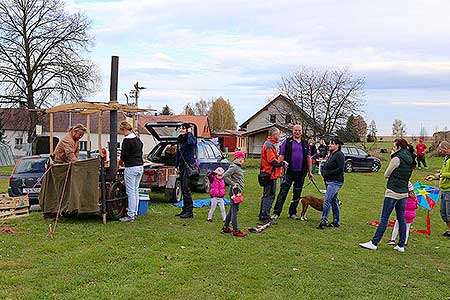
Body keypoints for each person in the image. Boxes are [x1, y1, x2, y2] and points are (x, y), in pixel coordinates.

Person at [360, 139, 415, 252]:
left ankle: (374, 242)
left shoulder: (396, 158)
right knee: (401, 219)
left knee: (384, 218)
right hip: (403, 193)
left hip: (392, 192)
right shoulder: (410, 158)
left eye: (394, 146)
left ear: (399, 147)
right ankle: (401, 245)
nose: (392, 148)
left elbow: (386, 174)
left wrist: (392, 158)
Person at [271, 124, 313, 220]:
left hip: (301, 172)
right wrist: (280, 169)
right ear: (292, 131)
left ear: (302, 132)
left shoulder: (305, 143)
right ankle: (276, 212)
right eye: (295, 130)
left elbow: (308, 157)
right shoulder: (287, 142)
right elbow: (281, 156)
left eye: (299, 130)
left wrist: (310, 171)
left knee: (297, 194)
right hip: (288, 172)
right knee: (283, 192)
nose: (297, 132)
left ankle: (292, 212)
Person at [259, 127, 286, 224]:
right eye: (278, 134)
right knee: (269, 196)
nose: (279, 136)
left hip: (268, 173)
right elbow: (271, 160)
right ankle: (265, 216)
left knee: (266, 195)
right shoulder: (270, 145)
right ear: (274, 135)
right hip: (269, 174)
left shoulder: (269, 144)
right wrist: (281, 163)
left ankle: (262, 214)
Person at [118, 121, 144, 222]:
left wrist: (120, 162)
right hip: (140, 167)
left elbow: (124, 155)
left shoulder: (127, 141)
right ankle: (135, 211)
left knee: (130, 191)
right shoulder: (138, 140)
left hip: (131, 167)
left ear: (124, 129)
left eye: (121, 131)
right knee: (136, 190)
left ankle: (131, 214)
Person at [317, 137, 345, 229]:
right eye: (330, 143)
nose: (329, 145)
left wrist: (328, 173)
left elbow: (341, 169)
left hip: (335, 181)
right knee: (333, 201)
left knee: (327, 200)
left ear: (337, 145)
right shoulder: (332, 154)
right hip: (329, 181)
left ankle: (324, 221)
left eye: (332, 144)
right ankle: (336, 221)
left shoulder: (339, 155)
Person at [426, 141, 450, 238]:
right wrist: (434, 177)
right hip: (443, 189)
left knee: (449, 213)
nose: (440, 151)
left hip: (449, 189)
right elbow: (445, 172)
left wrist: (440, 175)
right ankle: (449, 230)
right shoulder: (446, 159)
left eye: (441, 149)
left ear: (445, 148)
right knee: (443, 213)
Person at [222, 151, 246, 237]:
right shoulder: (234, 167)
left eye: (242, 158)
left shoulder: (238, 167)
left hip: (237, 191)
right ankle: (236, 230)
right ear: (235, 159)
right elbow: (225, 176)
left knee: (232, 209)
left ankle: (226, 227)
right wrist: (233, 184)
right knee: (235, 210)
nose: (240, 160)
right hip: (234, 191)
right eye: (238, 158)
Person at [175, 123, 197, 219]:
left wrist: (190, 133)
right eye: (180, 128)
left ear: (187, 129)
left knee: (186, 189)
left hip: (188, 167)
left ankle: (189, 211)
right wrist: (176, 166)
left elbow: (191, 143)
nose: (181, 129)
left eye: (183, 128)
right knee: (184, 189)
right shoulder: (179, 139)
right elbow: (178, 154)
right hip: (182, 166)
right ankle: (185, 209)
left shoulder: (191, 138)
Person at [387, 181, 418, 246]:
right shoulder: (414, 199)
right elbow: (416, 207)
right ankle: (405, 242)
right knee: (407, 229)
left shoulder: (403, 198)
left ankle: (392, 239)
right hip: (411, 216)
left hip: (403, 214)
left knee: (397, 226)